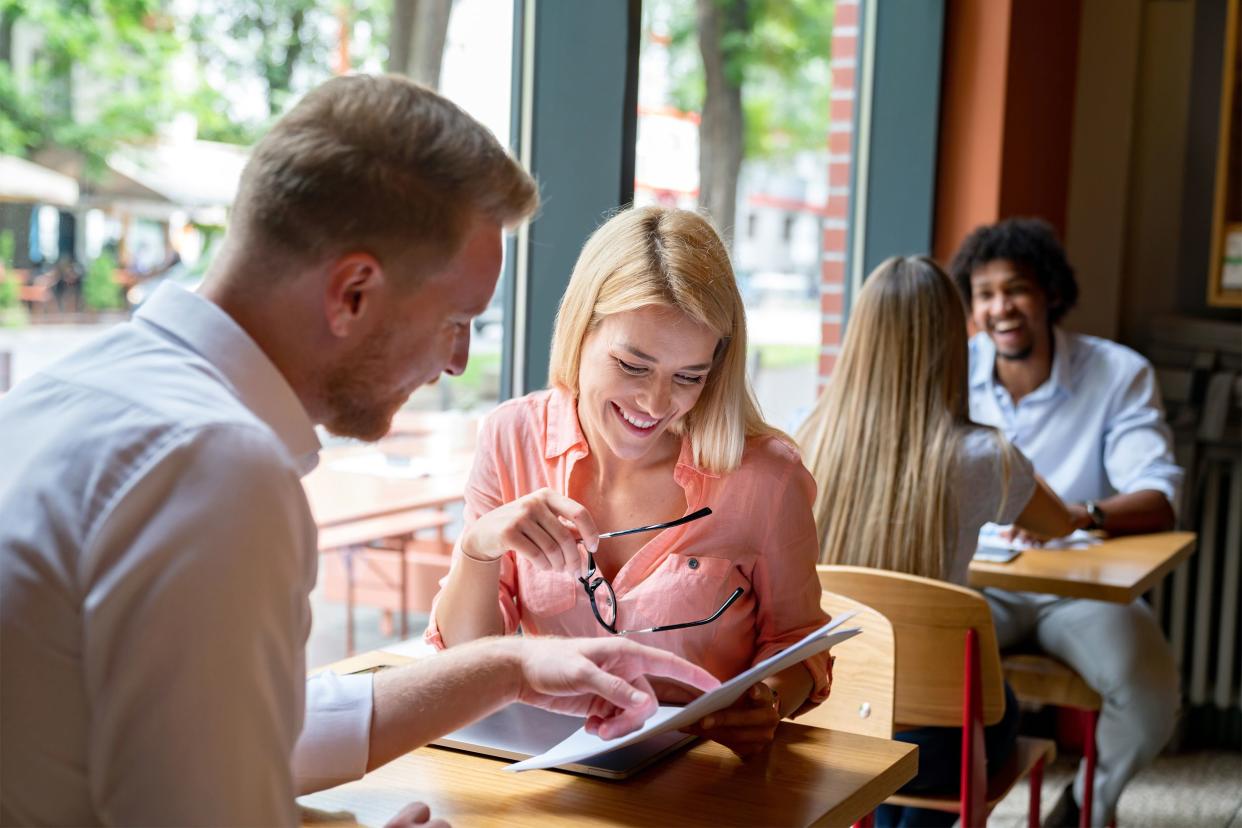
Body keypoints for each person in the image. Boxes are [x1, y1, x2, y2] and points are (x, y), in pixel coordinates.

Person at [0, 75, 719, 827]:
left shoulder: (70, 395)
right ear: (352, 293)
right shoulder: (216, 472)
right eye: (455, 320)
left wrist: (508, 668)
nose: (458, 362)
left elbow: (225, 730)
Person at [427, 205, 832, 758]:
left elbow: (798, 647)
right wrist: (479, 548)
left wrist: (769, 700)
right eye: (633, 366)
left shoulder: (765, 478)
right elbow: (465, 661)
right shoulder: (511, 436)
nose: (655, 404)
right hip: (553, 778)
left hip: (701, 781)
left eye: (688, 376)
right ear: (581, 330)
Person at [797, 256, 1076, 828]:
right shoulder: (986, 458)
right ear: (954, 341)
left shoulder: (806, 439)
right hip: (945, 746)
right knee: (988, 709)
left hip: (834, 717)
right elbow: (1060, 524)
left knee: (890, 753)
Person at [949, 217, 1183, 827]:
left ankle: (1085, 803)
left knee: (1153, 694)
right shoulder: (951, 369)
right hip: (977, 582)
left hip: (1079, 589)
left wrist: (1076, 516)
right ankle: (930, 806)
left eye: (1017, 289)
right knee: (912, 661)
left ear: (1050, 291)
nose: (1001, 307)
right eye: (985, 293)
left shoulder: (1118, 373)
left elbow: (1158, 496)